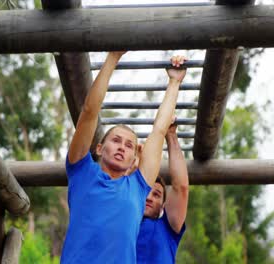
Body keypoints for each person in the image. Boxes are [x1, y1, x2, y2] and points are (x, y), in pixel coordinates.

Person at [60, 52, 187, 264]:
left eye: (129, 145)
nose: (122, 147)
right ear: (99, 148)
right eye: (116, 141)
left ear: (133, 159)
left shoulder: (138, 187)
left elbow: (158, 131)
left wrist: (174, 82)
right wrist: (113, 56)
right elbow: (90, 112)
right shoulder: (82, 172)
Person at [136, 123, 189, 264]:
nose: (149, 197)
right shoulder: (122, 221)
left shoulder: (166, 228)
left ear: (163, 206)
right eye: (146, 191)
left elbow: (181, 187)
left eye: (156, 194)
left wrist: (171, 135)